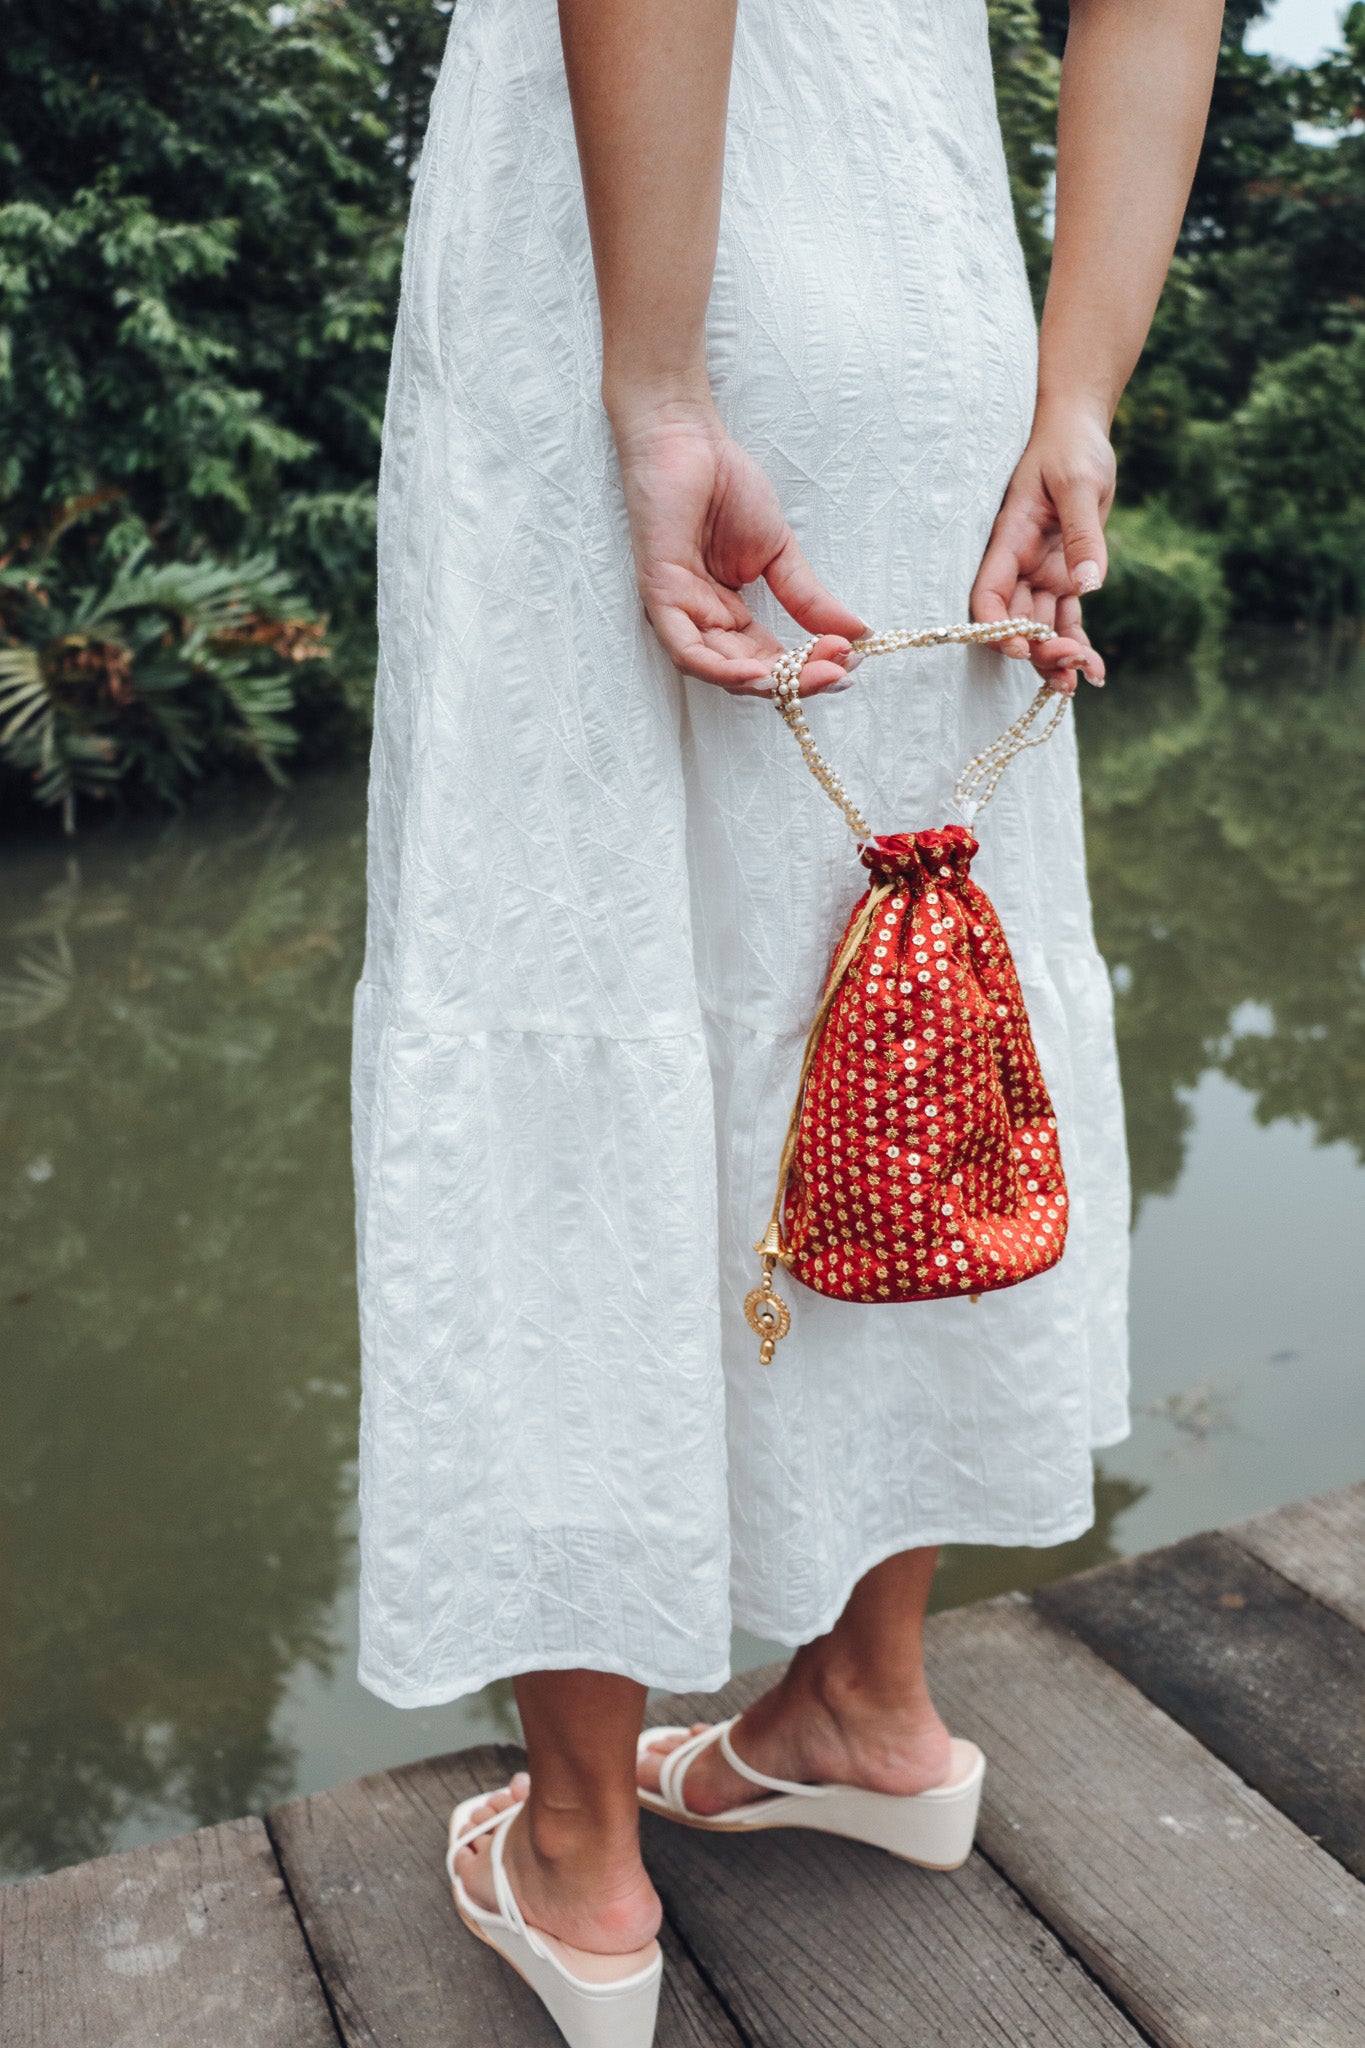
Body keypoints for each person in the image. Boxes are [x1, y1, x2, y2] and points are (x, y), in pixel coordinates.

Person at [352, 0, 1222, 2038]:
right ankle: (860, 1695)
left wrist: (658, 392)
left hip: (621, 250)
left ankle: (575, 1846)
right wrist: (1075, 396)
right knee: (891, 970)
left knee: (581, 960)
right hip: (933, 310)